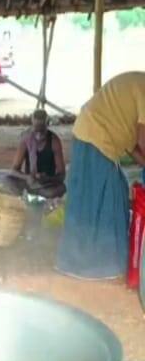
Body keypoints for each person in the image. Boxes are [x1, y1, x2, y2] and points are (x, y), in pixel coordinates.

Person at [56, 72, 145, 280]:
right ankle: (98, 266)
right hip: (96, 136)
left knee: (91, 199)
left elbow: (132, 144)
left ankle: (80, 262)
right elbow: (143, 141)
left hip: (91, 133)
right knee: (106, 200)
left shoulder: (137, 84)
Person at [5, 109, 66, 199]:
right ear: (32, 125)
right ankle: (28, 196)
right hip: (29, 183)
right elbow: (13, 170)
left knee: (61, 188)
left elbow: (62, 175)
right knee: (7, 180)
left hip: (46, 186)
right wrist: (27, 177)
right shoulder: (26, 139)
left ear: (47, 125)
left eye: (42, 131)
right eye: (36, 130)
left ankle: (33, 196)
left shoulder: (54, 141)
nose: (39, 136)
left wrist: (47, 178)